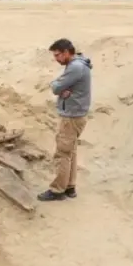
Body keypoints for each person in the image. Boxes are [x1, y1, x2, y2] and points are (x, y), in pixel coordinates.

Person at [38, 38, 92, 202]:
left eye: (58, 55)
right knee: (71, 152)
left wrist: (58, 85)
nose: (56, 59)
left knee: (62, 154)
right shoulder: (79, 64)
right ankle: (70, 187)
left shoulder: (75, 67)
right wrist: (62, 87)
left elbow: (55, 87)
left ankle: (57, 190)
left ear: (67, 52)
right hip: (77, 114)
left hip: (71, 116)